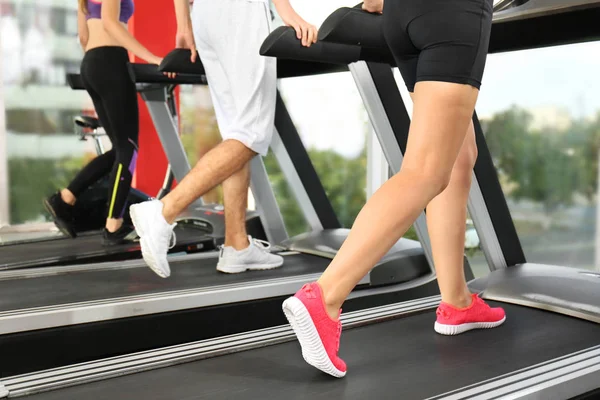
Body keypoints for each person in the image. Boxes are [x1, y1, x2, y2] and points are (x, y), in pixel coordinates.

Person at [281, 0, 506, 378]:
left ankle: (457, 301)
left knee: (457, 154)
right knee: (426, 171)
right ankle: (325, 297)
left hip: (402, 17)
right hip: (454, 15)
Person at [130, 0, 317, 277]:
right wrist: (286, 13)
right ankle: (164, 211)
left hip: (205, 15)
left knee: (236, 130)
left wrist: (184, 24)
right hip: (240, 13)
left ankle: (236, 245)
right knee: (250, 133)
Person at [44, 0, 163, 246]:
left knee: (119, 149)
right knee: (129, 148)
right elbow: (110, 23)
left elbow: (84, 37)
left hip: (91, 63)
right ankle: (113, 226)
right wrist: (151, 57)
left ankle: (64, 199)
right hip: (111, 60)